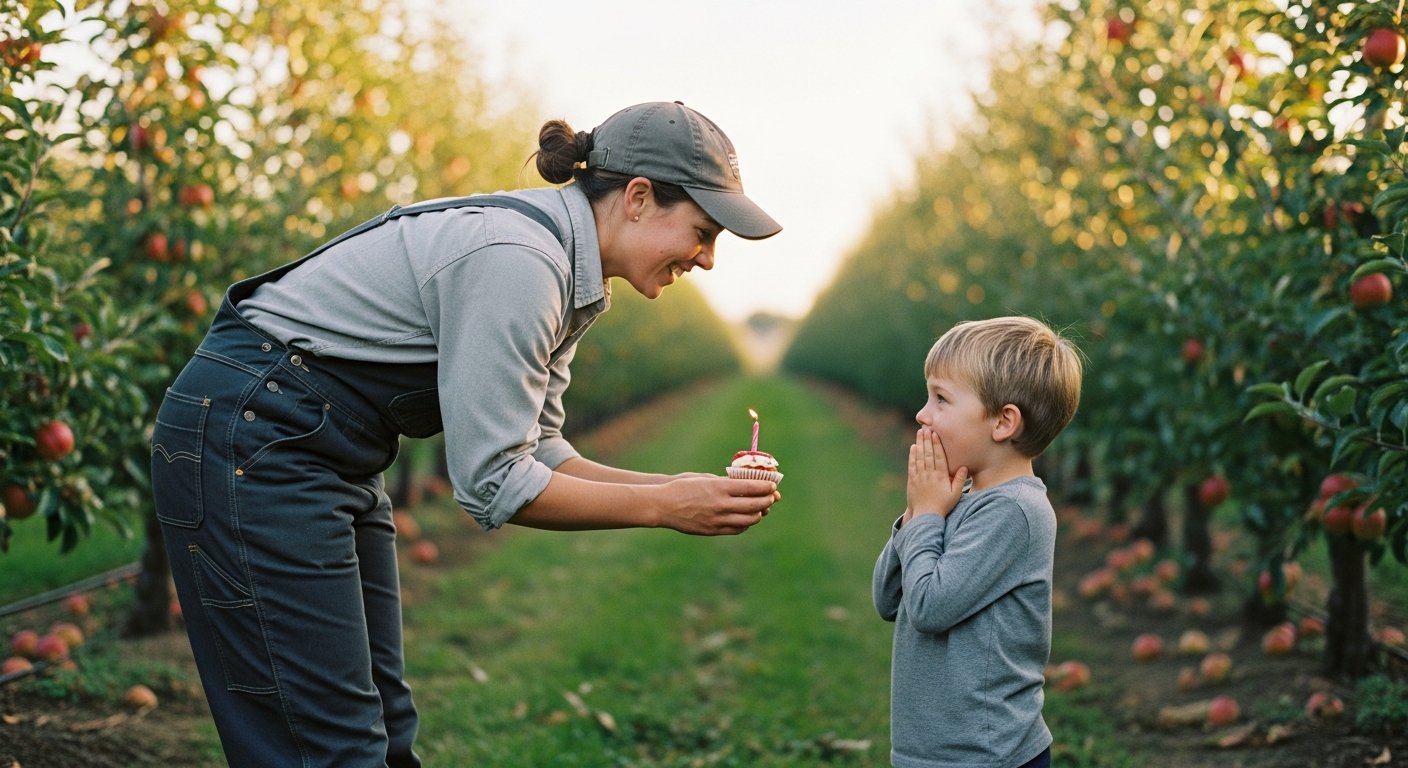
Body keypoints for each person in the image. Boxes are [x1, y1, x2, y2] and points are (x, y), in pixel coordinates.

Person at [149, 101, 782, 767]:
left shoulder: (570, 275)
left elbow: (539, 449)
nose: (707, 259)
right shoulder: (520, 263)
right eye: (703, 231)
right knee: (326, 744)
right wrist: (665, 507)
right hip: (256, 436)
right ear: (638, 196)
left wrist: (676, 488)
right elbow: (494, 484)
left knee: (382, 733)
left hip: (320, 446)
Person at [871, 316, 1083, 768]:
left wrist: (928, 514)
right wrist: (917, 513)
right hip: (930, 751)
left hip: (987, 755)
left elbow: (929, 607)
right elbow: (889, 599)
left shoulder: (1016, 512)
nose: (922, 414)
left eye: (941, 399)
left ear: (1003, 422)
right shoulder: (960, 498)